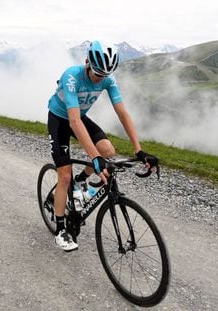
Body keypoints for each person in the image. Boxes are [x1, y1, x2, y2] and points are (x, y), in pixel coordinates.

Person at [47, 40, 159, 251]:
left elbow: (122, 113)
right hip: (60, 119)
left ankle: (80, 182)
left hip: (79, 117)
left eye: (104, 76)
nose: (99, 79)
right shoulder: (71, 76)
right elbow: (74, 122)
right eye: (97, 74)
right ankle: (61, 230)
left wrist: (139, 149)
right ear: (87, 62)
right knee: (64, 176)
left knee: (107, 150)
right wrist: (94, 158)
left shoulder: (108, 79)